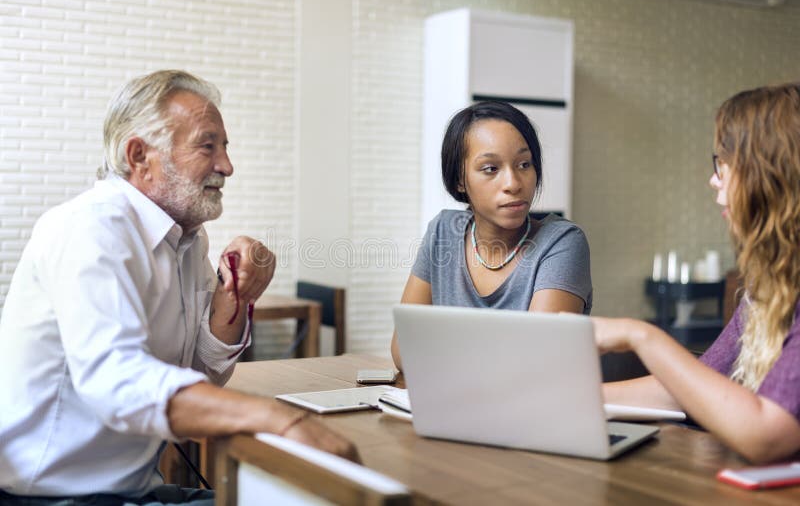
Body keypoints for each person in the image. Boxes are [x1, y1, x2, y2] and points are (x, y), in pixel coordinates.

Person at [0, 70, 357, 505]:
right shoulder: (90, 228)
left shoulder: (187, 239)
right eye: (208, 146)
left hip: (132, 490)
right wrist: (280, 419)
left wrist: (236, 297)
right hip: (54, 498)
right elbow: (117, 383)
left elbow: (198, 376)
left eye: (225, 148)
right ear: (139, 156)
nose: (227, 166)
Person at [594, 82, 800, 464]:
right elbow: (694, 386)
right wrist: (570, 398)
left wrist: (641, 336)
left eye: (725, 163)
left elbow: (767, 435)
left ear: (769, 175)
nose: (714, 179)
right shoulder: (768, 285)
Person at [391, 101, 592, 369]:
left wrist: (442, 352)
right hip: (451, 403)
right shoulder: (443, 231)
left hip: (535, 409)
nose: (513, 184)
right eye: (491, 169)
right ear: (459, 181)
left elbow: (536, 361)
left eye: (524, 164)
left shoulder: (562, 243)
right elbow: (404, 349)